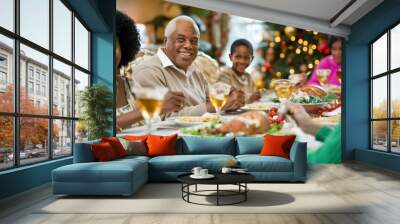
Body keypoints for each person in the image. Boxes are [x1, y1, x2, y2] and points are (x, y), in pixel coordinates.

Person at [132, 15, 245, 117]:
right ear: (166, 41)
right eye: (181, 39)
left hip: (203, 132)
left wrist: (230, 99)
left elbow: (210, 100)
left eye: (194, 41)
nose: (188, 45)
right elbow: (163, 118)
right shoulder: (148, 70)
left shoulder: (195, 70)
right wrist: (216, 106)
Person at [115, 11, 184, 131]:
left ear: (123, 47)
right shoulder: (89, 87)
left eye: (113, 44)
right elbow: (97, 130)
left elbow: (153, 124)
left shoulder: (129, 83)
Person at [217, 39, 261, 103]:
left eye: (246, 58)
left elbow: (254, 98)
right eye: (238, 57)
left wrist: (257, 96)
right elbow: (222, 99)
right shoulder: (225, 75)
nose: (242, 61)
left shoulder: (249, 78)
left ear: (252, 59)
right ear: (230, 57)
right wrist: (250, 98)